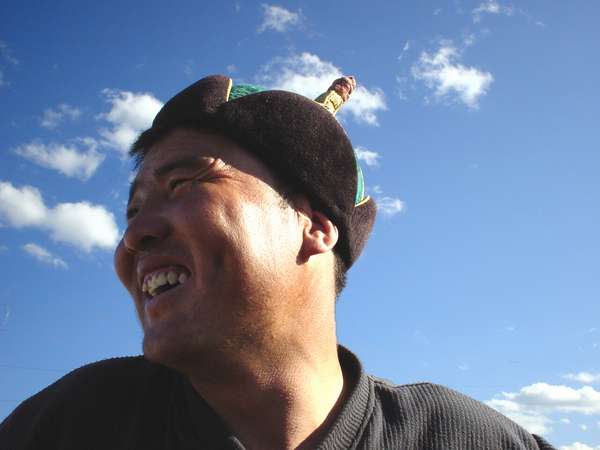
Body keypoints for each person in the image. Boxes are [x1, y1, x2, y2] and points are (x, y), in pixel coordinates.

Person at [0, 75, 556, 450]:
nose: (135, 236)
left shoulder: (461, 438)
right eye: (135, 209)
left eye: (185, 182)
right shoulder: (74, 426)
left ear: (314, 226)